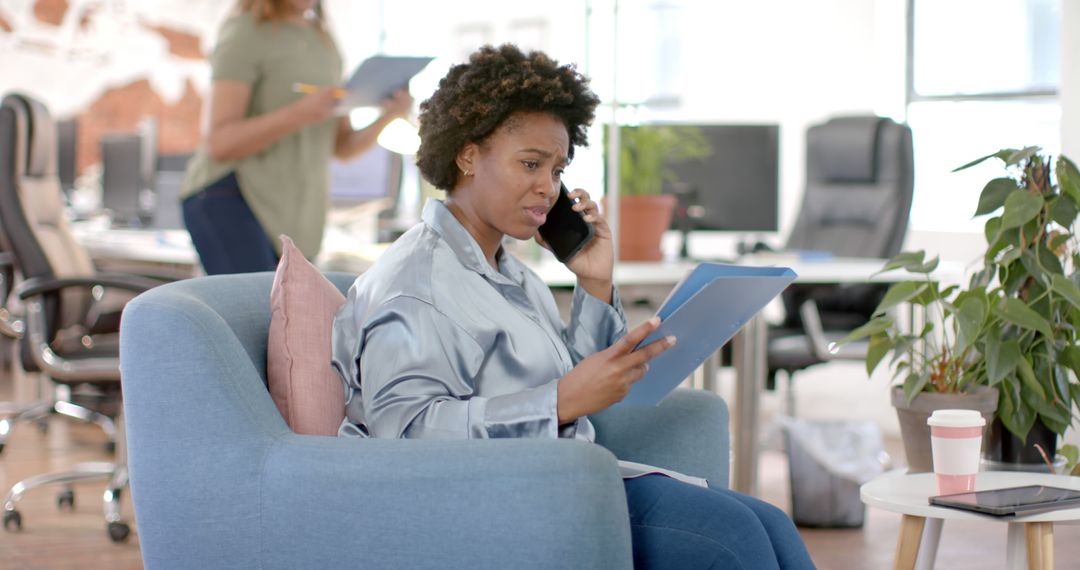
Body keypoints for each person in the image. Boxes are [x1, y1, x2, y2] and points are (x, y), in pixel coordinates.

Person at [331, 44, 815, 569]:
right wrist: (556, 404)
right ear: (467, 156)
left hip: (564, 476)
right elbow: (404, 435)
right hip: (498, 499)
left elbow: (573, 376)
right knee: (734, 535)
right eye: (530, 164)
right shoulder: (416, 282)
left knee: (770, 522)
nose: (548, 188)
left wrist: (594, 282)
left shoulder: (510, 270)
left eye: (557, 169)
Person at [180, 0, 412, 275]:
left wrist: (390, 115)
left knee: (290, 314)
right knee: (258, 314)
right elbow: (220, 143)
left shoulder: (324, 43)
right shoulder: (245, 33)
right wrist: (299, 114)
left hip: (294, 214)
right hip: (232, 197)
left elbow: (342, 148)